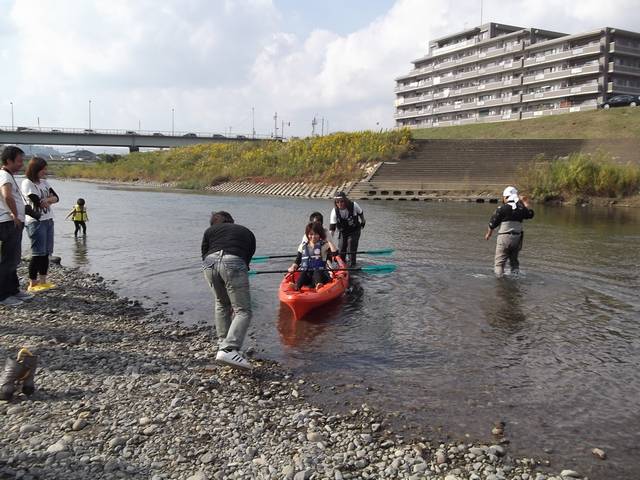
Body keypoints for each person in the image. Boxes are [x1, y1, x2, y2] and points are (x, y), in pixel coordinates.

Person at [201, 211, 256, 370]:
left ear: (214, 225)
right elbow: (246, 258)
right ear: (231, 222)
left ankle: (223, 345)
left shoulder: (209, 231)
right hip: (234, 261)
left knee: (221, 303)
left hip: (209, 264)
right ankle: (229, 349)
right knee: (243, 310)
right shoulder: (245, 231)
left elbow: (204, 253)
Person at [0, 147, 33, 306]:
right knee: (9, 260)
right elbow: (7, 195)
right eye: (19, 161)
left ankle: (13, 289)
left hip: (11, 222)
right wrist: (14, 214)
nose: (22, 164)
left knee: (13, 259)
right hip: (8, 223)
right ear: (9, 161)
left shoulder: (8, 175)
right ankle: (3, 295)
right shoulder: (4, 175)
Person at [21, 157, 59, 292]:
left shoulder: (44, 182)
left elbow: (56, 198)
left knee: (46, 253)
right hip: (36, 222)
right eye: (42, 169)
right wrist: (50, 200)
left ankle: (43, 281)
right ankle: (32, 284)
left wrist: (48, 200)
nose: (45, 171)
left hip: (48, 220)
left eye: (45, 169)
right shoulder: (27, 183)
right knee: (37, 254)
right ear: (35, 169)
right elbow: (37, 202)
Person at [485, 186, 535, 277]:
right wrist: (525, 201)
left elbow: (492, 223)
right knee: (514, 262)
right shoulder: (521, 209)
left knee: (499, 263)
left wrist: (489, 234)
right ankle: (515, 278)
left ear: (505, 197)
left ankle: (499, 281)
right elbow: (531, 214)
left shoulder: (501, 209)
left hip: (504, 237)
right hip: (517, 238)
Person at [288, 222, 339, 291]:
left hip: (321, 275)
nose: (313, 237)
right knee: (303, 272)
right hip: (308, 276)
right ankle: (296, 286)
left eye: (316, 234)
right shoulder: (303, 246)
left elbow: (335, 253)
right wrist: (292, 267)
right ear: (307, 235)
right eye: (311, 234)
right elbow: (297, 261)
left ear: (319, 235)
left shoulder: (324, 246)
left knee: (317, 271)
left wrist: (329, 240)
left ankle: (318, 286)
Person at [329, 191, 365, 267]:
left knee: (351, 249)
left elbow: (361, 213)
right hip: (343, 231)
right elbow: (332, 228)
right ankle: (342, 267)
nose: (339, 203)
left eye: (341, 201)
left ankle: (352, 265)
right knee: (341, 251)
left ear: (345, 201)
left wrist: (363, 221)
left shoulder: (354, 205)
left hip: (354, 230)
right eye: (337, 202)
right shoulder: (334, 211)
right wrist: (329, 240)